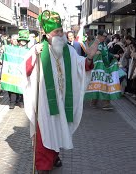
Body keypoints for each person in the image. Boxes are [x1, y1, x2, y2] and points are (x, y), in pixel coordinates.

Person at [23, 10, 96, 174]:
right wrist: (34, 57)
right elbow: (25, 72)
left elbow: (81, 66)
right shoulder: (38, 50)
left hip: (63, 102)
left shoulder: (68, 50)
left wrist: (89, 58)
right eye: (57, 31)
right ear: (46, 33)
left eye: (61, 30)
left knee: (58, 131)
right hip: (44, 103)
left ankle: (54, 156)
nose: (61, 34)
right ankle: (43, 167)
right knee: (44, 136)